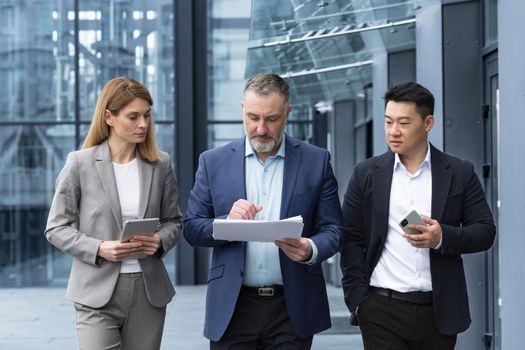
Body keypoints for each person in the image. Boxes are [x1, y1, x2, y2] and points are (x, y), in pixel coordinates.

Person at [184, 73, 342, 349]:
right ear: (243, 108)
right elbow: (192, 228)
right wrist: (227, 221)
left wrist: (310, 249)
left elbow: (334, 229)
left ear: (288, 112)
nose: (260, 128)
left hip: (292, 307)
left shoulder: (316, 161)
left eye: (271, 119)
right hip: (233, 307)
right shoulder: (213, 162)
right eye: (253, 117)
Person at [340, 81, 496, 350]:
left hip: (439, 310)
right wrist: (358, 300)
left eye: (404, 123)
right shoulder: (366, 174)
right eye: (388, 122)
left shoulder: (459, 172)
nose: (393, 131)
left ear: (428, 123)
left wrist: (442, 236)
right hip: (380, 309)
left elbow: (485, 231)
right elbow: (351, 239)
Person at [45, 77, 182, 350]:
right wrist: (99, 248)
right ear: (109, 117)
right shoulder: (80, 163)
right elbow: (56, 228)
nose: (143, 124)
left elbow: (174, 221)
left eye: (147, 115)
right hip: (95, 293)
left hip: (148, 292)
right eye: (133, 117)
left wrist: (160, 241)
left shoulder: (160, 164)